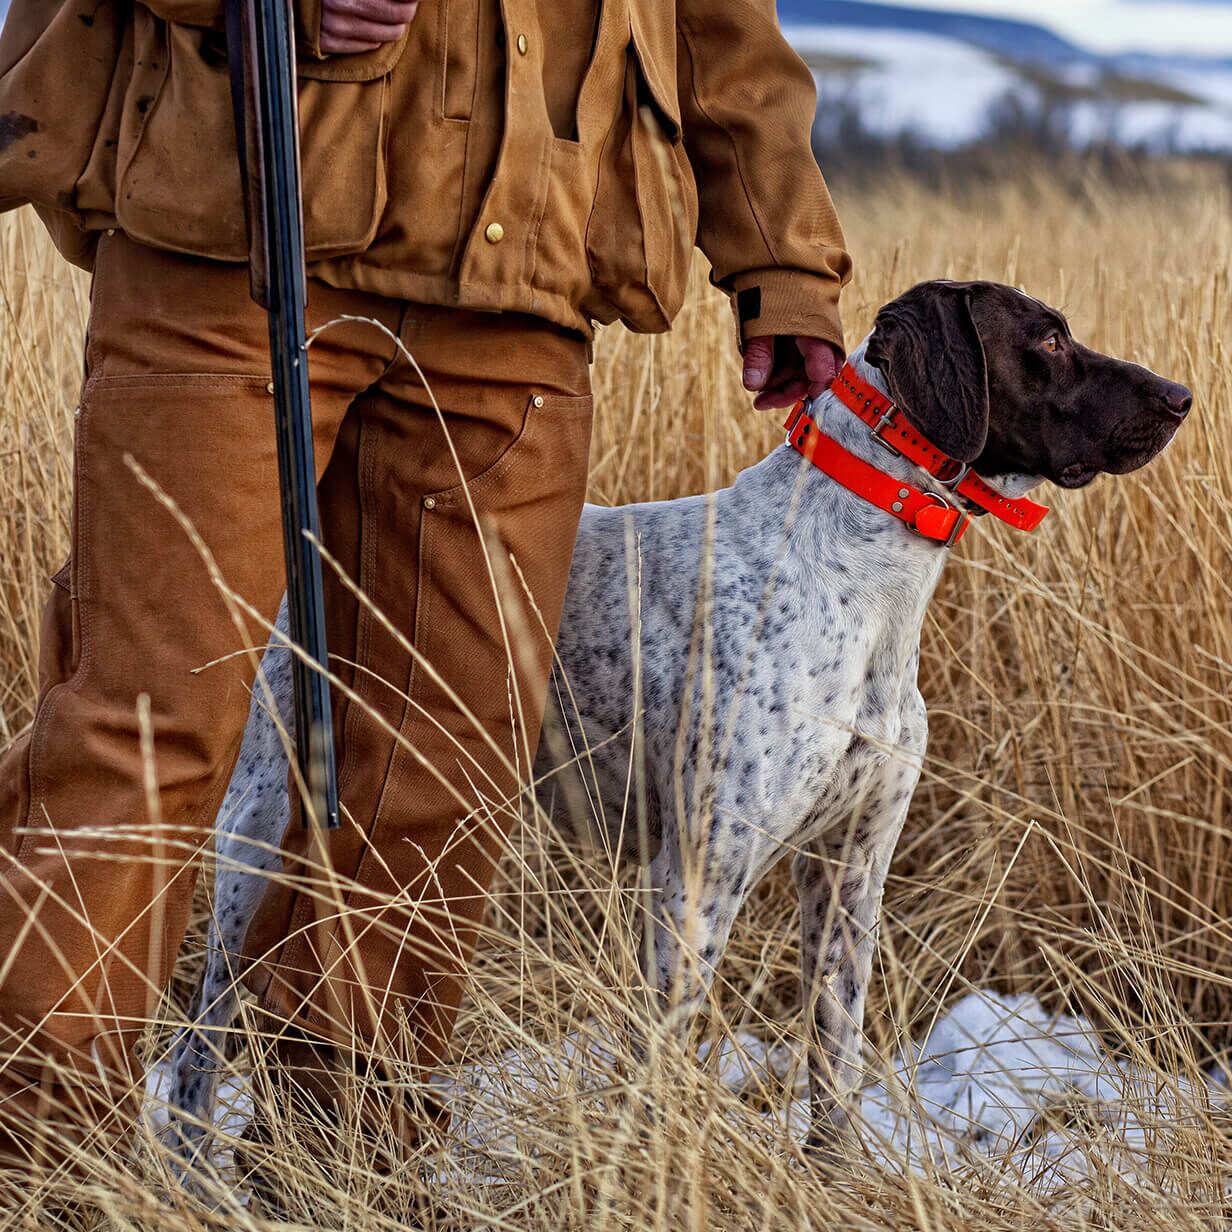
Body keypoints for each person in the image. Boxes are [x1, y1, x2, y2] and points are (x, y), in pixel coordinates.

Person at [0, 0, 851, 1175]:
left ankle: (342, 1149)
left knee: (443, 751)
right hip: (236, 247)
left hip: (523, 288)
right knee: (148, 720)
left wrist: (784, 261)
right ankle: (39, 1151)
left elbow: (720, 27)